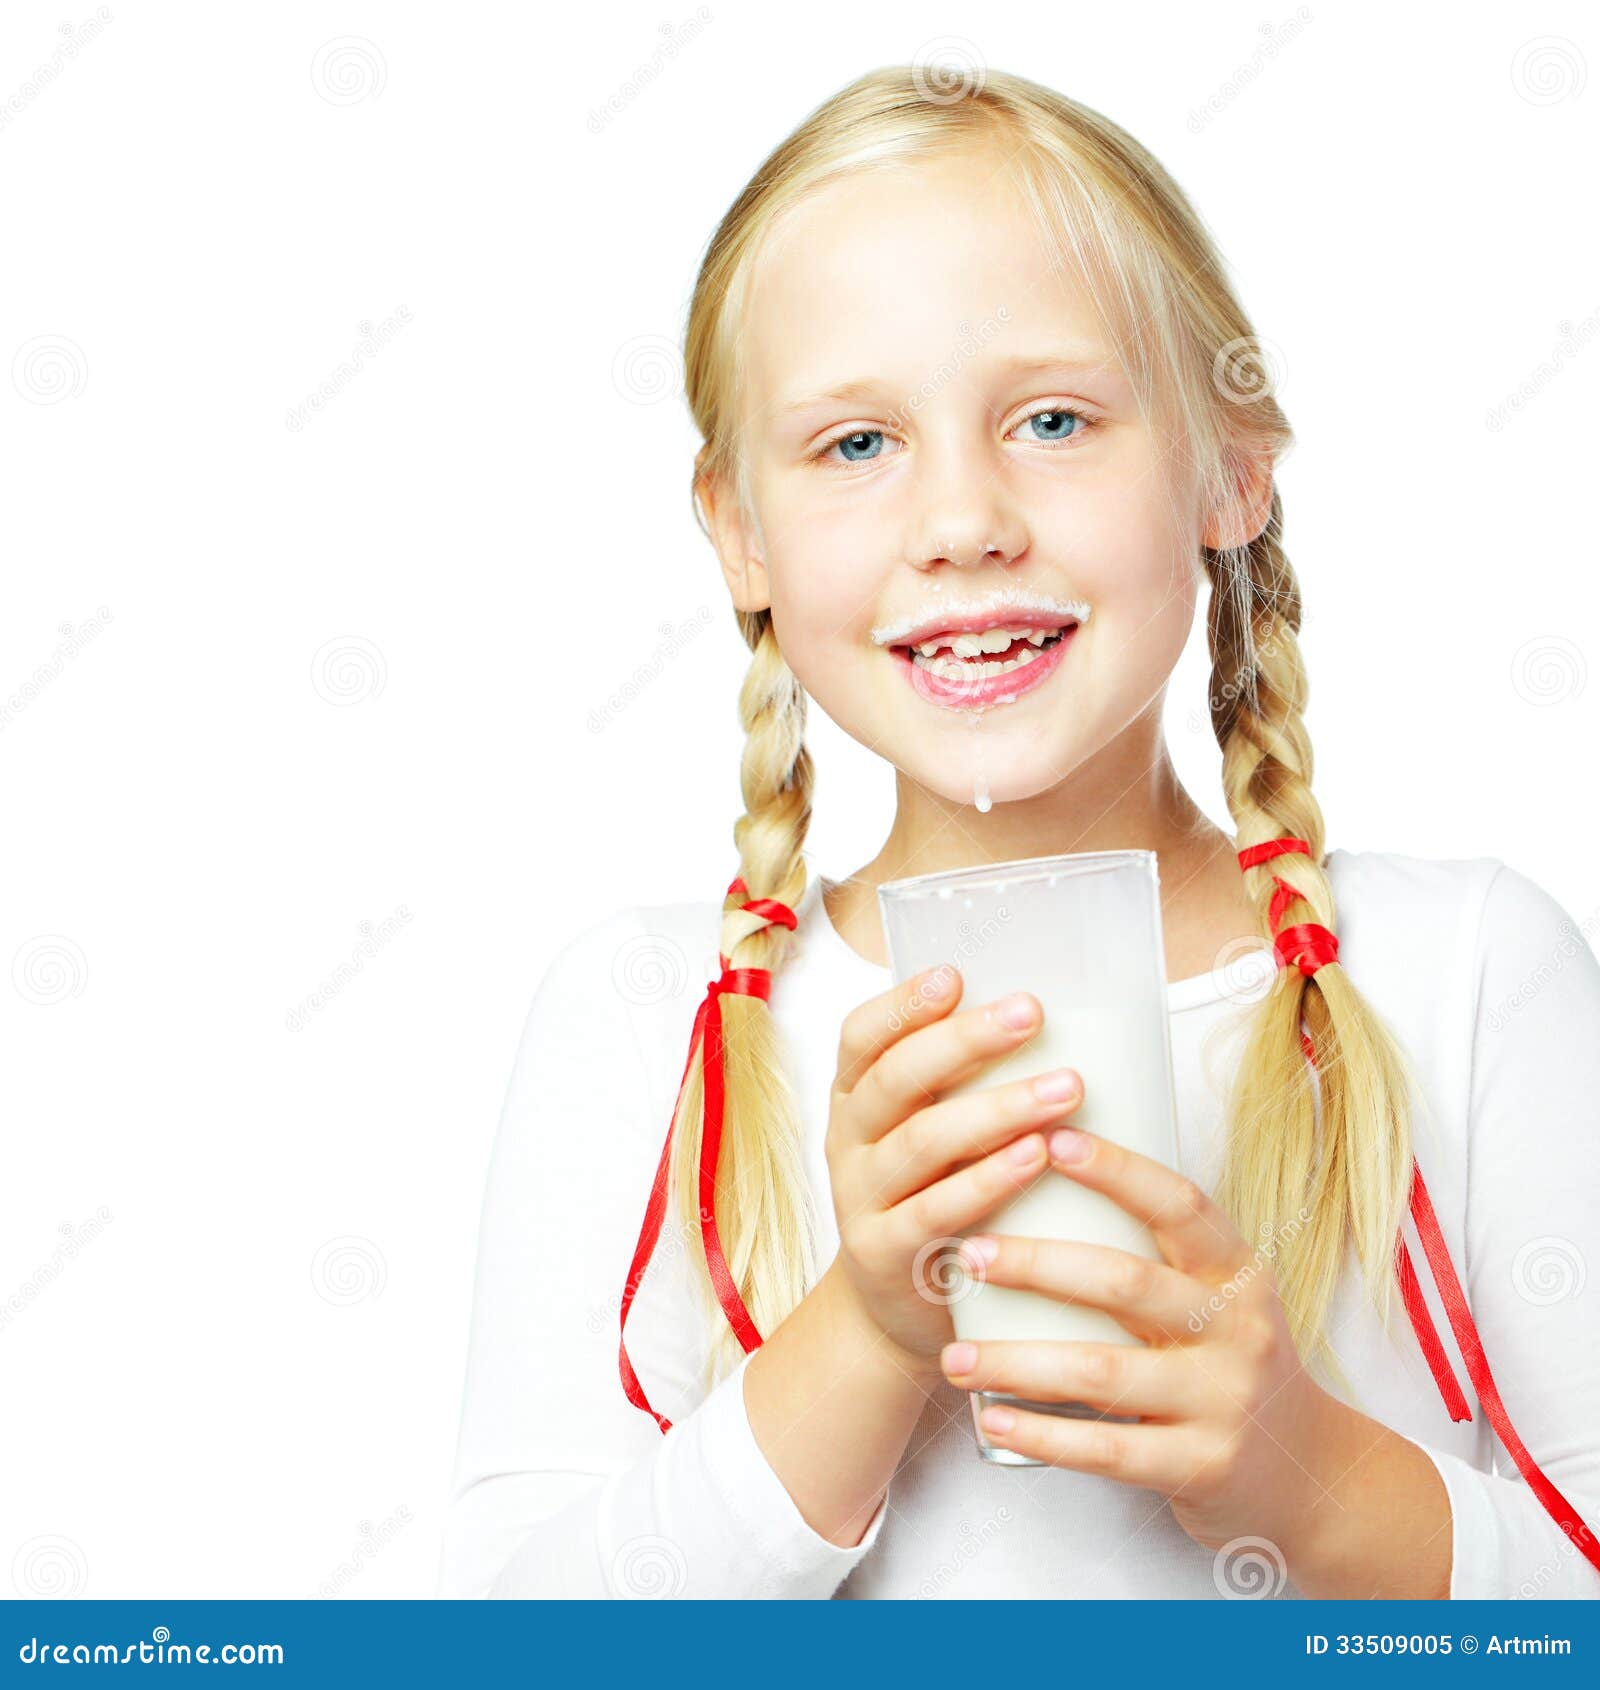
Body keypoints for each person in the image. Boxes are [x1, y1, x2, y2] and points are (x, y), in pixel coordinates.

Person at [437, 65, 1600, 1600]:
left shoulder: (1456, 974)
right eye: (857, 444)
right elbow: (500, 1633)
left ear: (1230, 465)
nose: (964, 518)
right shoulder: (645, 1020)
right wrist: (863, 1331)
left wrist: (1298, 1468)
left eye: (1053, 418)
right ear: (738, 531)